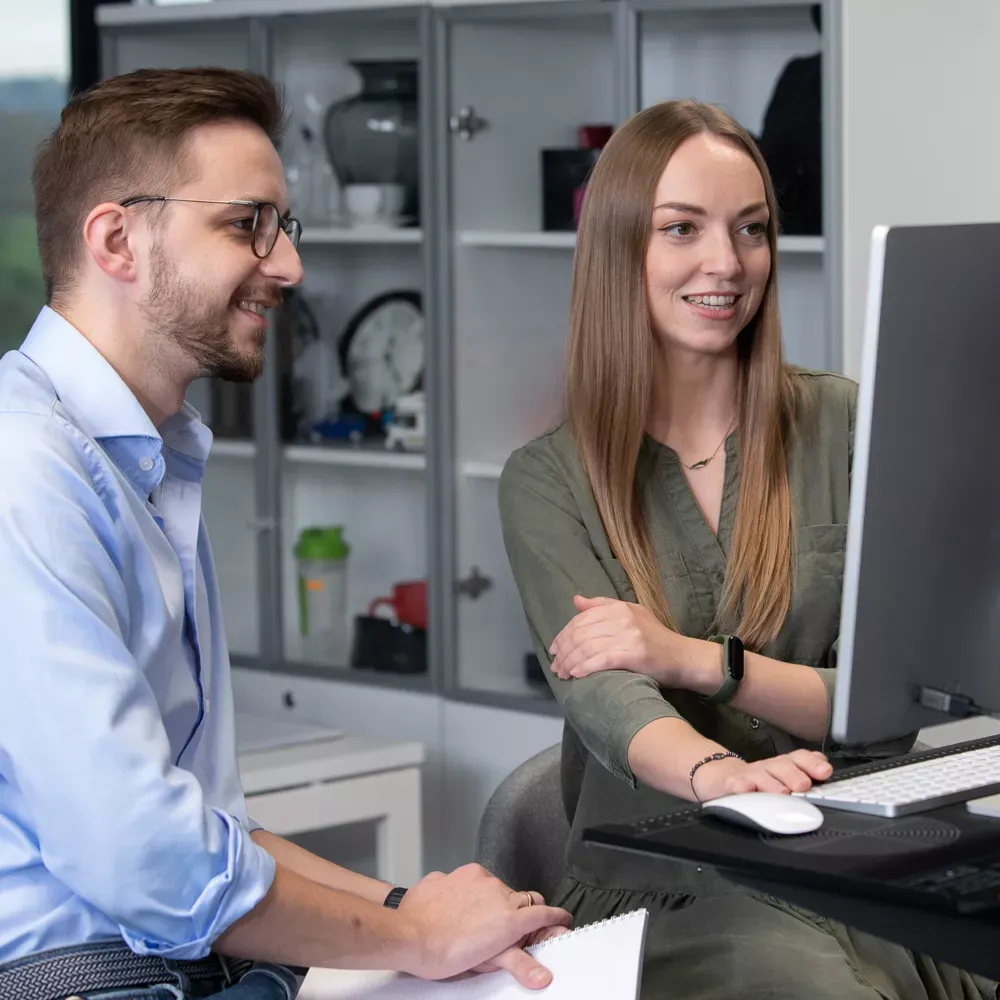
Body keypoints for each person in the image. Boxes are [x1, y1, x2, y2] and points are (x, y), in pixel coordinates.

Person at [0, 67, 570, 1000]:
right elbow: (143, 855)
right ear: (116, 240)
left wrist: (416, 910)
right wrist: (417, 937)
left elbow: (208, 829)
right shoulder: (26, 470)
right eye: (245, 225)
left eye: (283, 227)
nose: (289, 265)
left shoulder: (148, 459)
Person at [499, 99, 996, 1000]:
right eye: (681, 229)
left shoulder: (844, 424)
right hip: (675, 887)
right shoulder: (547, 480)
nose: (725, 264)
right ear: (619, 248)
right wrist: (727, 776)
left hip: (862, 861)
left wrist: (692, 659)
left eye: (751, 230)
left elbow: (890, 706)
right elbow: (610, 700)